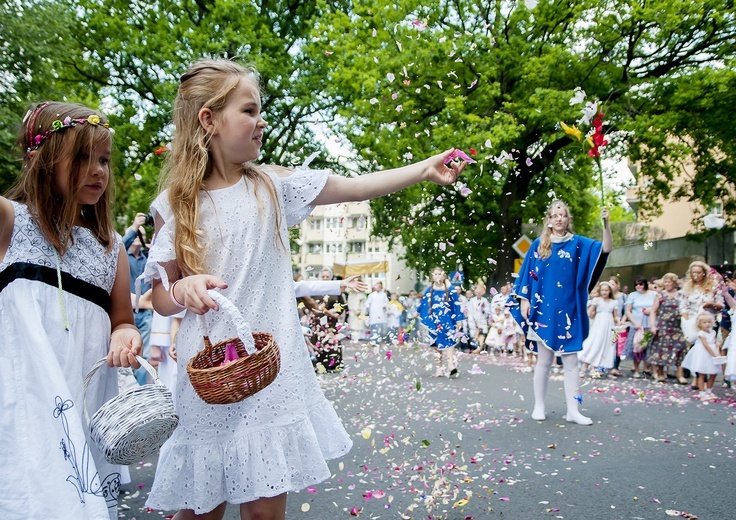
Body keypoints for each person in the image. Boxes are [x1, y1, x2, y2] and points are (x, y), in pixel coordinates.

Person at [139, 59, 467, 519]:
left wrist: (423, 169)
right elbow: (158, 296)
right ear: (209, 120)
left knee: (264, 512)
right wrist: (183, 288)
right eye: (249, 110)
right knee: (200, 510)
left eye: (260, 109)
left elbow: (355, 187)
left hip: (274, 373)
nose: (261, 120)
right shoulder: (175, 204)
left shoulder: (272, 186)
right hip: (208, 375)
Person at [0, 101, 141, 519]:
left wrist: (124, 336)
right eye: (82, 157)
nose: (98, 169)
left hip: (84, 401)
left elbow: (123, 320)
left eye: (104, 159)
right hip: (27, 396)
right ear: (40, 159)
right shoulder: (11, 222)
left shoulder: (109, 247)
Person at [509, 200, 612, 426]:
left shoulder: (577, 244)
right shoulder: (538, 244)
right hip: (543, 310)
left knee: (571, 361)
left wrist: (606, 224)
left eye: (563, 215)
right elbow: (526, 274)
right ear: (549, 220)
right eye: (554, 215)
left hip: (568, 309)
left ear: (568, 219)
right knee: (544, 361)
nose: (558, 218)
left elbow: (605, 249)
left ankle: (573, 410)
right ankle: (539, 406)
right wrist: (524, 300)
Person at [418, 267, 465, 377]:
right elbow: (423, 304)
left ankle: (450, 364)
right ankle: (439, 368)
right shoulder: (430, 290)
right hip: (434, 320)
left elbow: (457, 304)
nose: (437, 276)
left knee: (450, 341)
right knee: (436, 345)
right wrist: (418, 312)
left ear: (444, 276)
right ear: (432, 276)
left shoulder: (451, 289)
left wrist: (458, 319)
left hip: (447, 320)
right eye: (435, 274)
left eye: (440, 274)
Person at [123, 214, 154, 384]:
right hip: (126, 312)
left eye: (139, 235)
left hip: (145, 314)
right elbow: (120, 245)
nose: (136, 238)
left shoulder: (147, 258)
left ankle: (142, 389)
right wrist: (134, 226)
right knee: (124, 354)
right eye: (134, 235)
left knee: (145, 354)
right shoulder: (122, 257)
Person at [647, 273, 688, 383]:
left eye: (669, 282)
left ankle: (680, 374)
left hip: (677, 326)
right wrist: (653, 325)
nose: (667, 284)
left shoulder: (680, 295)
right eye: (665, 282)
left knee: (680, 349)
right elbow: (653, 311)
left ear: (674, 283)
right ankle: (660, 373)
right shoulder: (660, 295)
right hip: (663, 326)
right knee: (661, 349)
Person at [579, 281, 620, 376]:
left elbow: (615, 316)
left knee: (608, 347)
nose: (604, 292)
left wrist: (618, 321)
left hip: (609, 326)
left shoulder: (614, 302)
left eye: (606, 290)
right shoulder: (597, 300)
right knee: (595, 344)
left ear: (610, 291)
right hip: (599, 325)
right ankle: (584, 368)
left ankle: (602, 369)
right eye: (602, 290)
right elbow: (589, 311)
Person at [623, 276, 659, 378]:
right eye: (636, 284)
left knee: (650, 348)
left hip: (649, 324)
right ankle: (636, 369)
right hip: (637, 325)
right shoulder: (632, 295)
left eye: (641, 284)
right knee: (637, 347)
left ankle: (653, 371)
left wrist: (650, 311)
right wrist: (634, 323)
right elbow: (628, 311)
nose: (638, 286)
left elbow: (656, 307)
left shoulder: (653, 294)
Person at [681, 313, 721, 400]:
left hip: (712, 351)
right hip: (704, 354)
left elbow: (714, 342)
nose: (707, 324)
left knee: (713, 373)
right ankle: (702, 391)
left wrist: (717, 346)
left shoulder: (713, 332)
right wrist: (714, 354)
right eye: (705, 322)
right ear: (700, 324)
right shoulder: (701, 334)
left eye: (709, 322)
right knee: (702, 373)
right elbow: (706, 345)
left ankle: (709, 390)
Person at [467, 282, 491, 352]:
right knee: (474, 334)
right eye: (477, 291)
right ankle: (475, 347)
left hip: (482, 319)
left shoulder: (485, 300)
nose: (479, 293)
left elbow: (488, 311)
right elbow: (470, 311)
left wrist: (483, 309)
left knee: (482, 333)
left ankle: (480, 347)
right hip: (473, 320)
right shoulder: (472, 300)